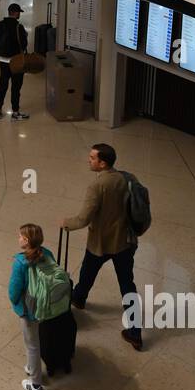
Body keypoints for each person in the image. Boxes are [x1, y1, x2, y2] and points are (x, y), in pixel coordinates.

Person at [62, 142, 142, 350]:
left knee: (88, 272)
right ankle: (135, 331)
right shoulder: (125, 179)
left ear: (102, 163)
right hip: (124, 241)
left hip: (100, 242)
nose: (89, 160)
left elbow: (83, 218)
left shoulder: (97, 186)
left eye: (92, 158)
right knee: (127, 285)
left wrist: (66, 223)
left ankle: (79, 298)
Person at [8, 223, 52, 390]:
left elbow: (14, 290)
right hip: (45, 306)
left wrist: (15, 303)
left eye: (20, 236)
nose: (18, 238)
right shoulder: (47, 254)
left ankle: (36, 385)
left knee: (32, 344)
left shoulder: (20, 261)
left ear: (26, 241)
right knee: (37, 338)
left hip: (29, 309)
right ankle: (31, 366)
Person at [0, 3, 29, 121]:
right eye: (19, 12)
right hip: (16, 62)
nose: (19, 14)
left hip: (3, 60)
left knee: (3, 85)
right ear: (15, 13)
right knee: (16, 87)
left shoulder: (0, 25)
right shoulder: (19, 27)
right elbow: (23, 45)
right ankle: (15, 111)